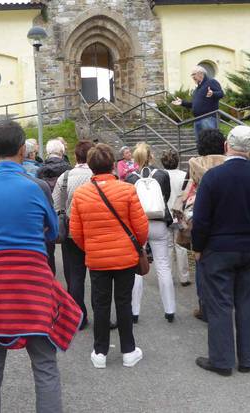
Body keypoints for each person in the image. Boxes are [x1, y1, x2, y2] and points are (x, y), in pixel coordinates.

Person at [0, 121, 82, 413]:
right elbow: (53, 232)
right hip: (34, 282)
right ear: (22, 150)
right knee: (44, 363)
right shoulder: (37, 187)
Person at [191, 125, 250, 376]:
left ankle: (221, 360)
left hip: (219, 249)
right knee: (249, 303)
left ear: (226, 146)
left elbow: (201, 220)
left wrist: (197, 248)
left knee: (220, 304)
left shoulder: (212, 177)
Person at [69, 143, 149, 369]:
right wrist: (136, 245)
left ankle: (100, 351)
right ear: (113, 165)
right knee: (124, 302)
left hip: (96, 258)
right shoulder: (126, 190)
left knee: (100, 303)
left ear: (90, 166)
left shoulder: (81, 194)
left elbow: (76, 232)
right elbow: (141, 227)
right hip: (125, 256)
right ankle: (128, 350)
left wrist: (91, 247)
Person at [125, 143, 175, 323]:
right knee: (163, 266)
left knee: (137, 267)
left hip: (139, 223)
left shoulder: (130, 178)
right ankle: (169, 309)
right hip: (159, 222)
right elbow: (166, 197)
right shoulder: (162, 175)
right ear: (151, 156)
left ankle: (134, 311)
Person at [52, 139, 94, 330]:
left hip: (71, 233)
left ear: (76, 156)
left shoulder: (65, 177)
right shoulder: (96, 175)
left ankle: (79, 316)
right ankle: (101, 315)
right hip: (95, 233)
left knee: (75, 277)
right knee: (98, 278)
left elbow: (56, 205)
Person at [186, 129, 227, 322]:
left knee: (203, 267)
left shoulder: (195, 164)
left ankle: (205, 306)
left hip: (205, 222)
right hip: (227, 221)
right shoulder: (230, 163)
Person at [37, 138, 72, 274]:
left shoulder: (40, 170)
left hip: (47, 211)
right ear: (62, 152)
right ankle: (70, 285)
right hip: (65, 211)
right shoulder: (68, 169)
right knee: (68, 252)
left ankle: (51, 279)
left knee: (48, 248)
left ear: (47, 152)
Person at [160, 149, 191, 287]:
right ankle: (184, 277)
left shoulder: (160, 175)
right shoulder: (184, 175)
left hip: (165, 214)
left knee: (167, 247)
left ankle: (168, 276)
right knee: (181, 246)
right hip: (180, 213)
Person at [171, 65, 225, 140]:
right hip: (197, 119)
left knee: (210, 141)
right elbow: (194, 104)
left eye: (194, 74)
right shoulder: (197, 89)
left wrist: (213, 93)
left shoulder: (211, 82)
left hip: (208, 118)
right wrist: (182, 103)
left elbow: (221, 94)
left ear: (201, 73)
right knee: (200, 144)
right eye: (191, 75)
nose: (192, 77)